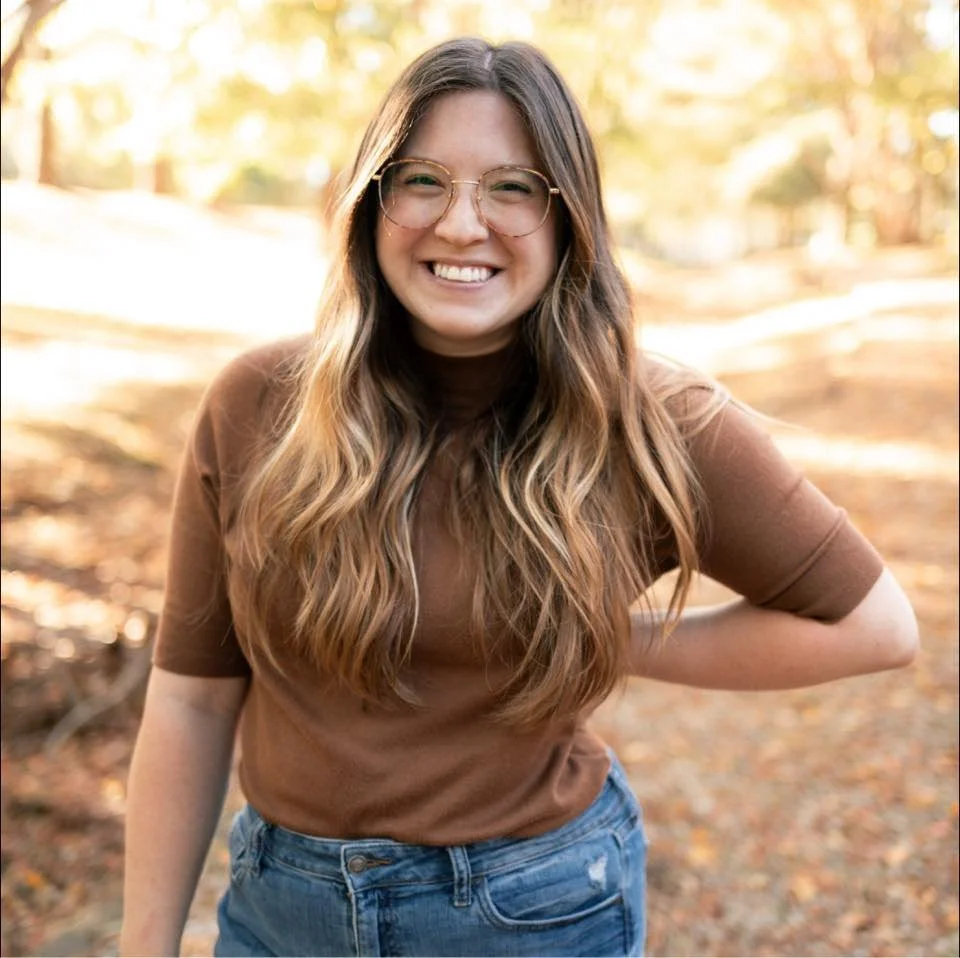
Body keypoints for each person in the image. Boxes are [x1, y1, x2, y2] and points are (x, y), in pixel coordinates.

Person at [119, 36, 919, 958]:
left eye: (512, 188)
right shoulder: (259, 405)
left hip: (528, 916)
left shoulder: (651, 419)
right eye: (423, 180)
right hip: (277, 912)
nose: (462, 224)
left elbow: (877, 626)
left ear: (568, 217)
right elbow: (190, 702)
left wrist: (616, 637)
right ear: (372, 204)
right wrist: (145, 944)